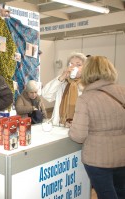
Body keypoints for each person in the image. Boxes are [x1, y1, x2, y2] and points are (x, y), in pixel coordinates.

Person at [68, 56, 125, 199]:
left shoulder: (86, 98)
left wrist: (72, 127)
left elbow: (78, 136)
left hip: (98, 159)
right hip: (122, 155)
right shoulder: (122, 91)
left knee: (106, 195)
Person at [42, 52, 87, 126]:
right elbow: (46, 95)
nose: (73, 67)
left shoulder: (87, 84)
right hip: (60, 124)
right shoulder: (62, 82)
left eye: (78, 65)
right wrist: (61, 77)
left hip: (79, 126)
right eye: (71, 64)